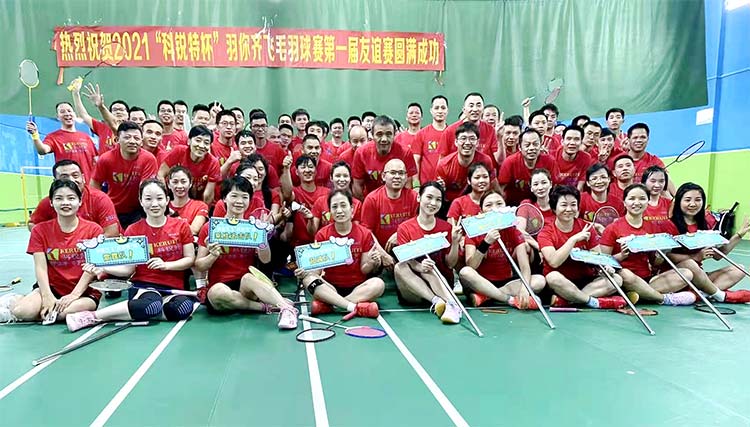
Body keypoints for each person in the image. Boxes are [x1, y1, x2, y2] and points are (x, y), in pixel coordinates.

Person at [66, 179, 197, 331]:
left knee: (184, 308)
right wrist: (102, 267)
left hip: (173, 288)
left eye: (159, 198)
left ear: (167, 200)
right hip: (144, 287)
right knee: (151, 303)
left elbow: (189, 259)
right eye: (148, 199)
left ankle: (139, 311)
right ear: (141, 201)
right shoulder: (133, 230)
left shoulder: (181, 226)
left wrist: (166, 265)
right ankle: (92, 316)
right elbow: (128, 270)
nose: (154, 204)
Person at [195, 177, 298, 328]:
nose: (239, 201)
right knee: (216, 293)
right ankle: (266, 306)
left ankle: (287, 310)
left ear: (249, 200)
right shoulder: (211, 228)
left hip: (248, 286)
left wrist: (262, 238)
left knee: (248, 277)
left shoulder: (253, 228)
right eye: (234, 196)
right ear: (224, 198)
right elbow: (199, 265)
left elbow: (265, 260)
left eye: (244, 197)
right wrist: (213, 256)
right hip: (221, 286)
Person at [0, 180, 102, 323]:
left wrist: (73, 295)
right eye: (59, 198)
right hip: (52, 288)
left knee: (56, 315)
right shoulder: (39, 230)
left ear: (80, 201)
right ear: (51, 202)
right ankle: (15, 301)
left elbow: (91, 269)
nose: (65, 203)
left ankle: (33, 306)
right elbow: (40, 267)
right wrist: (47, 296)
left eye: (71, 198)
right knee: (22, 312)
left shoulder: (94, 230)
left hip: (84, 292)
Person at [598, 184, 697, 306]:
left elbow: (655, 263)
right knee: (626, 274)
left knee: (686, 274)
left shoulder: (652, 227)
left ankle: (641, 294)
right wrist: (622, 255)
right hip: (624, 278)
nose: (637, 202)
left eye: (642, 198)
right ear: (624, 202)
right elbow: (603, 261)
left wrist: (662, 253)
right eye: (632, 198)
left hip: (648, 279)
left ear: (648, 202)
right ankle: (664, 298)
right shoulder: (613, 228)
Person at [296, 189, 384, 318]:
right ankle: (353, 307)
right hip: (330, 287)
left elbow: (364, 270)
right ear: (330, 211)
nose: (339, 210)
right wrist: (306, 272)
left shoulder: (364, 233)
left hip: (357, 287)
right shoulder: (322, 234)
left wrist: (372, 262)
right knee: (309, 279)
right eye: (334, 207)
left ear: (352, 209)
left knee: (378, 284)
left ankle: (332, 305)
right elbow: (317, 271)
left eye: (343, 205)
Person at [539, 185, 628, 309]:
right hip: (561, 282)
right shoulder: (546, 232)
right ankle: (594, 302)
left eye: (573, 205)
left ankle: (569, 300)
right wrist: (573, 239)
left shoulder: (586, 227)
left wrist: (605, 267)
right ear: (554, 208)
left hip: (586, 281)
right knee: (553, 278)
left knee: (617, 279)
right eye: (564, 205)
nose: (569, 209)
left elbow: (598, 258)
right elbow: (554, 262)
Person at [458, 191, 546, 309]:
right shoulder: (474, 231)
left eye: (499, 204)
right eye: (489, 205)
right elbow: (471, 266)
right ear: (481, 211)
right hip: (480, 282)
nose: (495, 208)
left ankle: (487, 296)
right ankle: (509, 299)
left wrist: (525, 289)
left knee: (540, 281)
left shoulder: (513, 230)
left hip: (506, 282)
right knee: (465, 272)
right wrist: (486, 243)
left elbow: (525, 267)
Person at [668, 182, 750, 302]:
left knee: (739, 270)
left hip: (699, 278)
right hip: (677, 275)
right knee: (690, 263)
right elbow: (666, 256)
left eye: (698, 200)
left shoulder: (705, 224)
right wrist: (696, 256)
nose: (692, 204)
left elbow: (717, 255)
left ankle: (698, 295)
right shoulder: (669, 224)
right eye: (687, 200)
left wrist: (739, 235)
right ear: (679, 201)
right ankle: (718, 295)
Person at [394, 183, 464, 323]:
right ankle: (437, 302)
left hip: (441, 284)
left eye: (438, 199)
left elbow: (450, 264)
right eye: (429, 197)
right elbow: (407, 260)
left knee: (430, 269)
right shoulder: (405, 228)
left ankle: (452, 305)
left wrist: (455, 242)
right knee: (399, 267)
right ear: (419, 197)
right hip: (414, 288)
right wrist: (420, 267)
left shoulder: (446, 227)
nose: (433, 203)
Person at [91, 121, 159, 229]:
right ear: (117, 140)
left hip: (138, 210)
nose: (132, 141)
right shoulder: (106, 159)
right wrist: (100, 206)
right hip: (113, 208)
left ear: (141, 141)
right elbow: (94, 184)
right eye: (127, 137)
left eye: (136, 138)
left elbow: (146, 188)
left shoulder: (149, 159)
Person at [29, 159, 119, 237]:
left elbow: (111, 233)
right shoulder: (49, 202)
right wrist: (51, 240)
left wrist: (86, 247)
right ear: (55, 181)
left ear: (83, 178)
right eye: (64, 177)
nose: (71, 180)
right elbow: (32, 224)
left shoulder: (100, 199)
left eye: (75, 175)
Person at [361, 159, 419, 268]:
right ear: (383, 176)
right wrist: (383, 255)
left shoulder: (414, 198)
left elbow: (418, 225)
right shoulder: (372, 199)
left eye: (401, 173)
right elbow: (366, 232)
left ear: (406, 177)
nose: (397, 177)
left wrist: (399, 234)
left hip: (408, 251)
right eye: (392, 173)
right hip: (380, 252)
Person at [26, 102, 97, 179]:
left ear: (74, 114)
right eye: (62, 112)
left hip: (89, 184)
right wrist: (35, 134)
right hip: (67, 184)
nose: (67, 114)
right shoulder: (53, 137)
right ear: (58, 117)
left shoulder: (86, 137)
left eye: (69, 111)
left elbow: (96, 160)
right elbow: (42, 150)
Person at [352, 115, 418, 199]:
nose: (384, 139)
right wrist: (367, 203)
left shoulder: (405, 153)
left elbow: (408, 184)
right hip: (371, 200)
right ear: (372, 134)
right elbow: (357, 185)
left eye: (388, 134)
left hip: (398, 200)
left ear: (395, 134)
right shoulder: (361, 153)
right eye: (379, 134)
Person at [158, 125, 222, 205]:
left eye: (206, 143)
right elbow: (161, 174)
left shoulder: (213, 163)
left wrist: (202, 211)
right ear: (189, 141)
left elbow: (208, 196)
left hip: (197, 203)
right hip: (171, 199)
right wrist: (165, 201)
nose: (201, 146)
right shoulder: (179, 151)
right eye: (198, 140)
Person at [435, 122, 497, 203]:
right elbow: (438, 193)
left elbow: (492, 186)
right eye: (463, 138)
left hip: (478, 202)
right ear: (456, 142)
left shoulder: (485, 161)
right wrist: (440, 188)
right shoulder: (444, 164)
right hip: (450, 204)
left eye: (472, 139)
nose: (467, 143)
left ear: (477, 142)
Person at [497, 129, 555, 206]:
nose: (531, 148)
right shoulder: (510, 162)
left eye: (535, 144)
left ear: (541, 145)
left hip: (542, 204)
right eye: (527, 145)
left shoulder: (549, 161)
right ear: (520, 147)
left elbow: (555, 186)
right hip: (513, 205)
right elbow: (501, 189)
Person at [438, 92, 498, 161]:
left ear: (483, 109)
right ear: (464, 109)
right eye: (471, 106)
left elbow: (499, 160)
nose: (475, 109)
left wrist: (500, 137)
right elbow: (442, 161)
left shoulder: (491, 130)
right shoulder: (449, 131)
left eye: (478, 105)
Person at [311, 161, 362, 235]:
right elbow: (312, 232)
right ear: (331, 178)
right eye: (338, 176)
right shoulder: (320, 201)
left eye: (345, 176)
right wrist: (310, 219)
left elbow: (355, 232)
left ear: (350, 178)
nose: (342, 179)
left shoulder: (357, 204)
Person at [579, 163, 625, 234]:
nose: (599, 181)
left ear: (609, 179)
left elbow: (621, 225)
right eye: (594, 178)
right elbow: (574, 221)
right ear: (588, 183)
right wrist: (595, 226)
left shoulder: (618, 203)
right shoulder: (581, 199)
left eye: (603, 177)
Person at [413, 95, 449, 185]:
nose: (440, 111)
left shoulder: (453, 134)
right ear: (431, 111)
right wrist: (416, 185)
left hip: (448, 186)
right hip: (426, 186)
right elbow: (415, 162)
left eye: (443, 108)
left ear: (447, 110)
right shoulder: (421, 134)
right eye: (436, 108)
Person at [167, 166, 209, 235]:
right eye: (175, 182)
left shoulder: (200, 206)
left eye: (183, 182)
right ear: (168, 184)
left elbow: (193, 231)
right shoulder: (163, 205)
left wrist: (174, 215)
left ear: (190, 183)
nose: (179, 186)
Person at [551, 126, 590, 190]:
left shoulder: (586, 157)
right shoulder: (552, 156)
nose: (572, 143)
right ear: (562, 141)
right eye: (568, 139)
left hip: (574, 193)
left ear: (581, 142)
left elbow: (580, 186)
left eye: (576, 139)